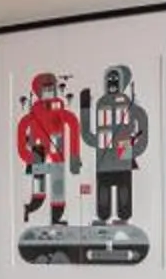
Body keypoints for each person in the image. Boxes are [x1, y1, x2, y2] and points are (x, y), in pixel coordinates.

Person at [16, 72, 83, 226]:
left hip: (57, 156)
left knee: (58, 192)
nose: (48, 92)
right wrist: (26, 155)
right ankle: (30, 208)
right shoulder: (34, 113)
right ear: (39, 92)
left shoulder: (59, 109)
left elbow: (73, 123)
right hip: (38, 155)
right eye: (45, 89)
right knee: (39, 192)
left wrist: (74, 155)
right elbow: (22, 127)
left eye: (51, 88)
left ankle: (56, 219)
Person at [91, 64, 150, 225]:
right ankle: (104, 215)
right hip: (103, 154)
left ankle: (124, 216)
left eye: (115, 79)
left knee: (124, 194)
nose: (112, 82)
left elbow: (142, 119)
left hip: (122, 149)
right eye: (109, 79)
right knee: (103, 200)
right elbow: (91, 134)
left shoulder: (127, 103)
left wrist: (137, 148)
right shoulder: (101, 102)